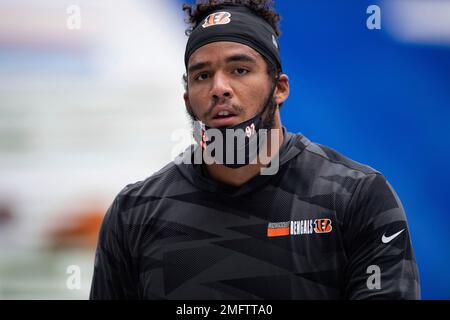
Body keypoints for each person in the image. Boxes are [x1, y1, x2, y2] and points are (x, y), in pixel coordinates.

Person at [90, 0, 420, 299]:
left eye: (240, 70)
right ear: (188, 99)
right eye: (202, 75)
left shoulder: (355, 198)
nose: (219, 88)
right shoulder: (133, 213)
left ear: (279, 88)